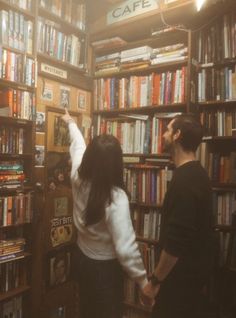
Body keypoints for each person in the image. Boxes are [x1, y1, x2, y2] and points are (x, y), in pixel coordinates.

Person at [61, 109, 150, 318]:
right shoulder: (115, 198)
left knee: (86, 310)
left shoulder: (77, 177)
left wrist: (71, 123)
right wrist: (144, 282)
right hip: (105, 270)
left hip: (82, 259)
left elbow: (78, 147)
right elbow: (126, 249)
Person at [141, 114, 216, 318]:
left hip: (179, 285)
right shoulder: (197, 173)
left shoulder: (185, 181)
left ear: (177, 135)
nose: (163, 134)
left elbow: (176, 240)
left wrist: (155, 282)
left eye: (167, 129)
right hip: (190, 282)